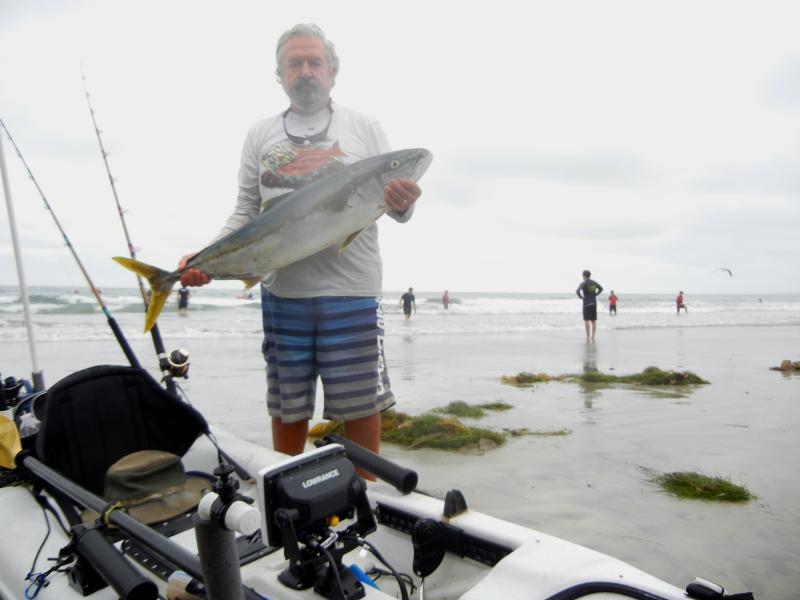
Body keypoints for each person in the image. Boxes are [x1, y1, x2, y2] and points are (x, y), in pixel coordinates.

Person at [177, 24, 422, 468]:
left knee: (359, 406)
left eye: (315, 62)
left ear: (332, 72)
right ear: (280, 74)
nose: (306, 71)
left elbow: (394, 203)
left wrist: (404, 206)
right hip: (283, 292)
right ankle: (285, 496)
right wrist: (204, 257)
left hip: (352, 292)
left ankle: (362, 499)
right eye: (295, 63)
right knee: (288, 407)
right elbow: (246, 210)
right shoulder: (260, 133)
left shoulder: (364, 126)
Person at [576, 270, 603, 341]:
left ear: (584, 275)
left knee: (586, 320)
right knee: (593, 320)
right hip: (594, 303)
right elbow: (601, 289)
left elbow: (577, 291)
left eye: (582, 275)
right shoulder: (594, 283)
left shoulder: (583, 283)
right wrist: (595, 294)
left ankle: (588, 336)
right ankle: (593, 336)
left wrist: (581, 298)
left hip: (586, 303)